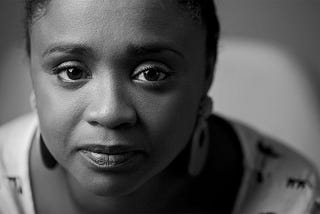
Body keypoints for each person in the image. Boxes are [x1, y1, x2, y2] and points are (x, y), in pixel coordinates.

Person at [0, 0, 319, 213]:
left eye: (151, 73)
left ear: (207, 74)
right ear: (31, 73)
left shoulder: (296, 198)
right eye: (72, 71)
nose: (110, 113)